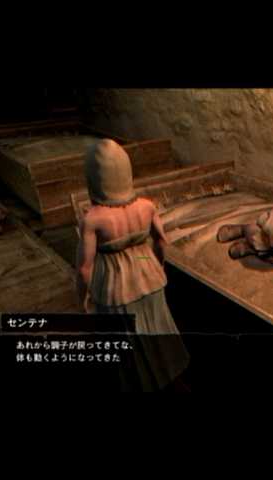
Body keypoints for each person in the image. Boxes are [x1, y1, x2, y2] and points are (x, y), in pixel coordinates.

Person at [76, 139, 189, 391]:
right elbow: (161, 241)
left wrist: (82, 298)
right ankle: (170, 377)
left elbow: (84, 268)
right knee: (158, 329)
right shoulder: (147, 206)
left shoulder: (93, 219)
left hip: (115, 287)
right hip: (149, 273)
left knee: (129, 343)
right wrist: (156, 267)